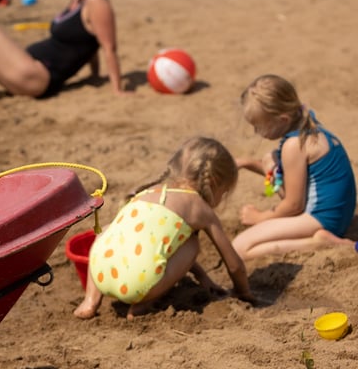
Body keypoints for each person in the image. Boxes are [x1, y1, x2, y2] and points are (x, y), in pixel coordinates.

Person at [74, 137, 254, 320]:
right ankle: (142, 305)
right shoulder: (199, 208)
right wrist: (243, 292)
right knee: (191, 244)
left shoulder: (147, 191)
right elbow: (234, 265)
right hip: (139, 285)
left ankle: (90, 301)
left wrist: (202, 277)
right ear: (214, 183)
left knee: (107, 229)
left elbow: (144, 247)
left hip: (100, 272)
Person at [232, 74, 357, 260]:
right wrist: (248, 163)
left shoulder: (293, 146)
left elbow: (293, 205)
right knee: (270, 158)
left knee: (239, 249)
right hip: (338, 215)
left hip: (321, 219)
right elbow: (295, 177)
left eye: (259, 126)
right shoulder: (310, 125)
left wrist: (259, 217)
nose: (257, 132)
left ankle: (318, 243)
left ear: (282, 119)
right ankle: (315, 237)